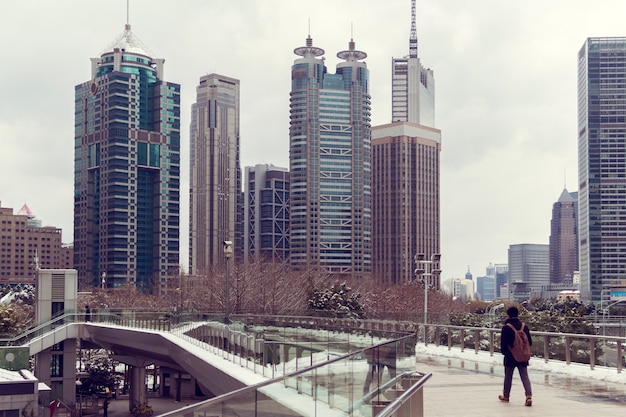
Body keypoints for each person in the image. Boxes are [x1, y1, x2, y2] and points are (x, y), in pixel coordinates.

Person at [499, 306, 533, 406]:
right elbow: (529, 342)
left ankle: (506, 396)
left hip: (510, 356)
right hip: (522, 356)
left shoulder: (506, 328)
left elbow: (504, 345)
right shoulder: (524, 327)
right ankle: (528, 396)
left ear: (508, 315)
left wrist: (506, 353)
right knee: (524, 376)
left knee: (508, 377)